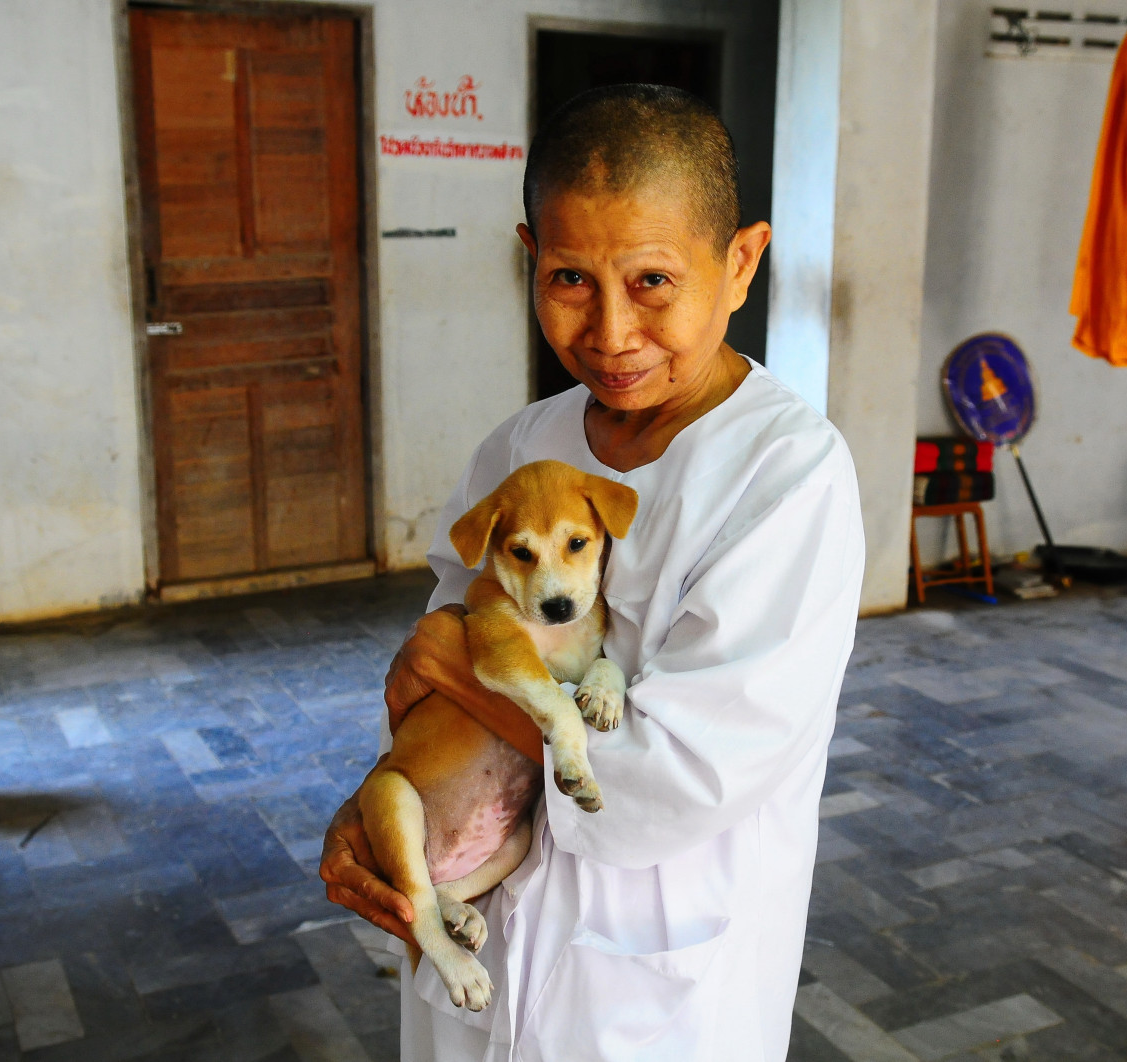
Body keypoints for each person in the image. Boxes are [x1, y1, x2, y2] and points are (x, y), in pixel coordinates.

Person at [320, 84, 865, 1060]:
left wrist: (458, 671)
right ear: (529, 258)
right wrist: (380, 808)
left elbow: (674, 778)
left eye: (652, 281)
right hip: (486, 933)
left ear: (738, 264)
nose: (611, 333)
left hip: (654, 983)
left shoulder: (785, 473)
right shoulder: (522, 448)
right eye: (570, 279)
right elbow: (425, 689)